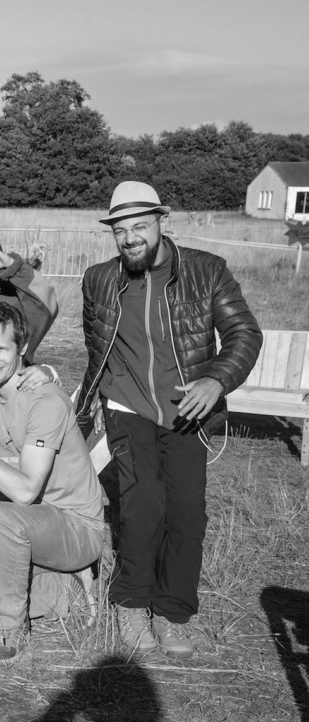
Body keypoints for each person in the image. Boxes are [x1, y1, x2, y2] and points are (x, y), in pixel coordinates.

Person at [78, 181, 261, 658]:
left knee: (187, 514)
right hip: (126, 406)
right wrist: (97, 399)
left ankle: (173, 612)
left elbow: (243, 332)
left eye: (139, 226)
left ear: (163, 222)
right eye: (120, 230)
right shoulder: (99, 278)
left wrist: (217, 380)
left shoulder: (206, 271)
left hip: (188, 412)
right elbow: (96, 343)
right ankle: (132, 604)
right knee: (142, 506)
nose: (130, 238)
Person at [0, 304, 105, 661]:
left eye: (2, 349)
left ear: (22, 347)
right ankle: (58, 587)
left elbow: (27, 491)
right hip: (23, 524)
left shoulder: (46, 401)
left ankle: (8, 627)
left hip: (74, 525)